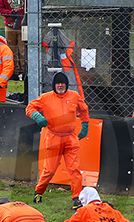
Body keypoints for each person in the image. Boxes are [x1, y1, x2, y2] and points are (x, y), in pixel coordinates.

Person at [26, 72, 90, 210]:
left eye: (63, 83)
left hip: (70, 138)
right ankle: (39, 192)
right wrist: (37, 116)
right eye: (58, 83)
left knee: (74, 169)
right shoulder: (45, 98)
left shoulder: (74, 96)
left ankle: (77, 198)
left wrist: (85, 125)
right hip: (53, 137)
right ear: (54, 85)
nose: (60, 85)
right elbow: (29, 107)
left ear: (66, 84)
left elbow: (84, 110)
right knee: (49, 170)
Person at [0, 0, 27, 80]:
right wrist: (10, 13)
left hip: (23, 26)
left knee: (23, 50)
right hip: (10, 26)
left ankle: (24, 71)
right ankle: (14, 72)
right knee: (11, 50)